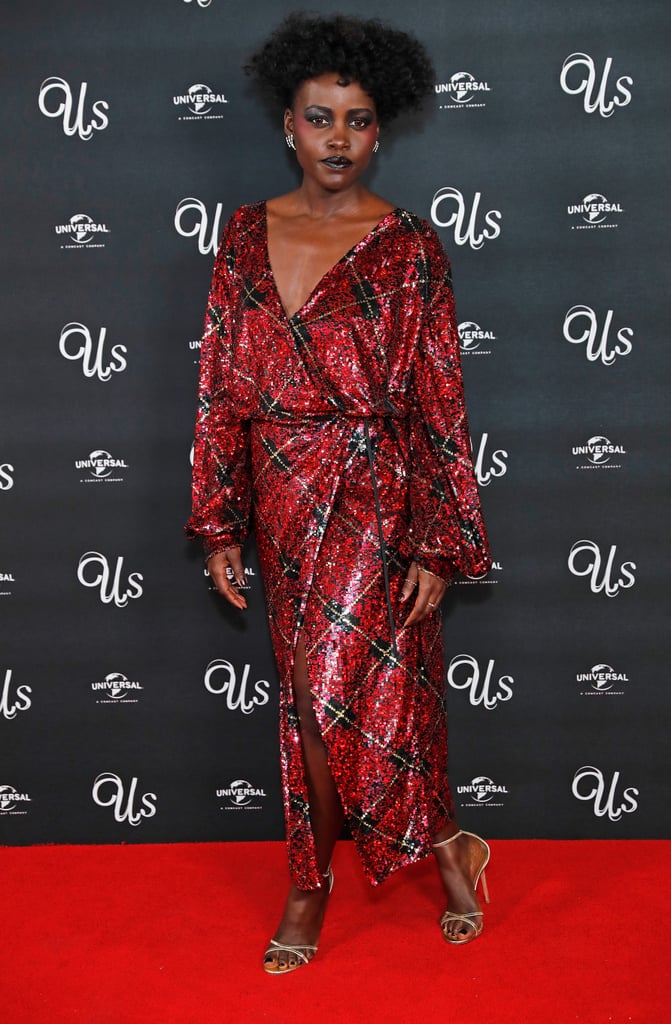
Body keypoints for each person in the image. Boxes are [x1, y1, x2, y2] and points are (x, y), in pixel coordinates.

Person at [185, 12, 493, 974]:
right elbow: (222, 386)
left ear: (378, 128)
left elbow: (440, 398)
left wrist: (439, 541)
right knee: (317, 704)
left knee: (365, 697)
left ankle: (312, 886)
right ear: (288, 123)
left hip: (374, 492)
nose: (336, 139)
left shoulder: (408, 248)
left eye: (356, 121)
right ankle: (449, 850)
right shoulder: (242, 237)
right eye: (319, 118)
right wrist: (220, 518)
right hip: (280, 491)